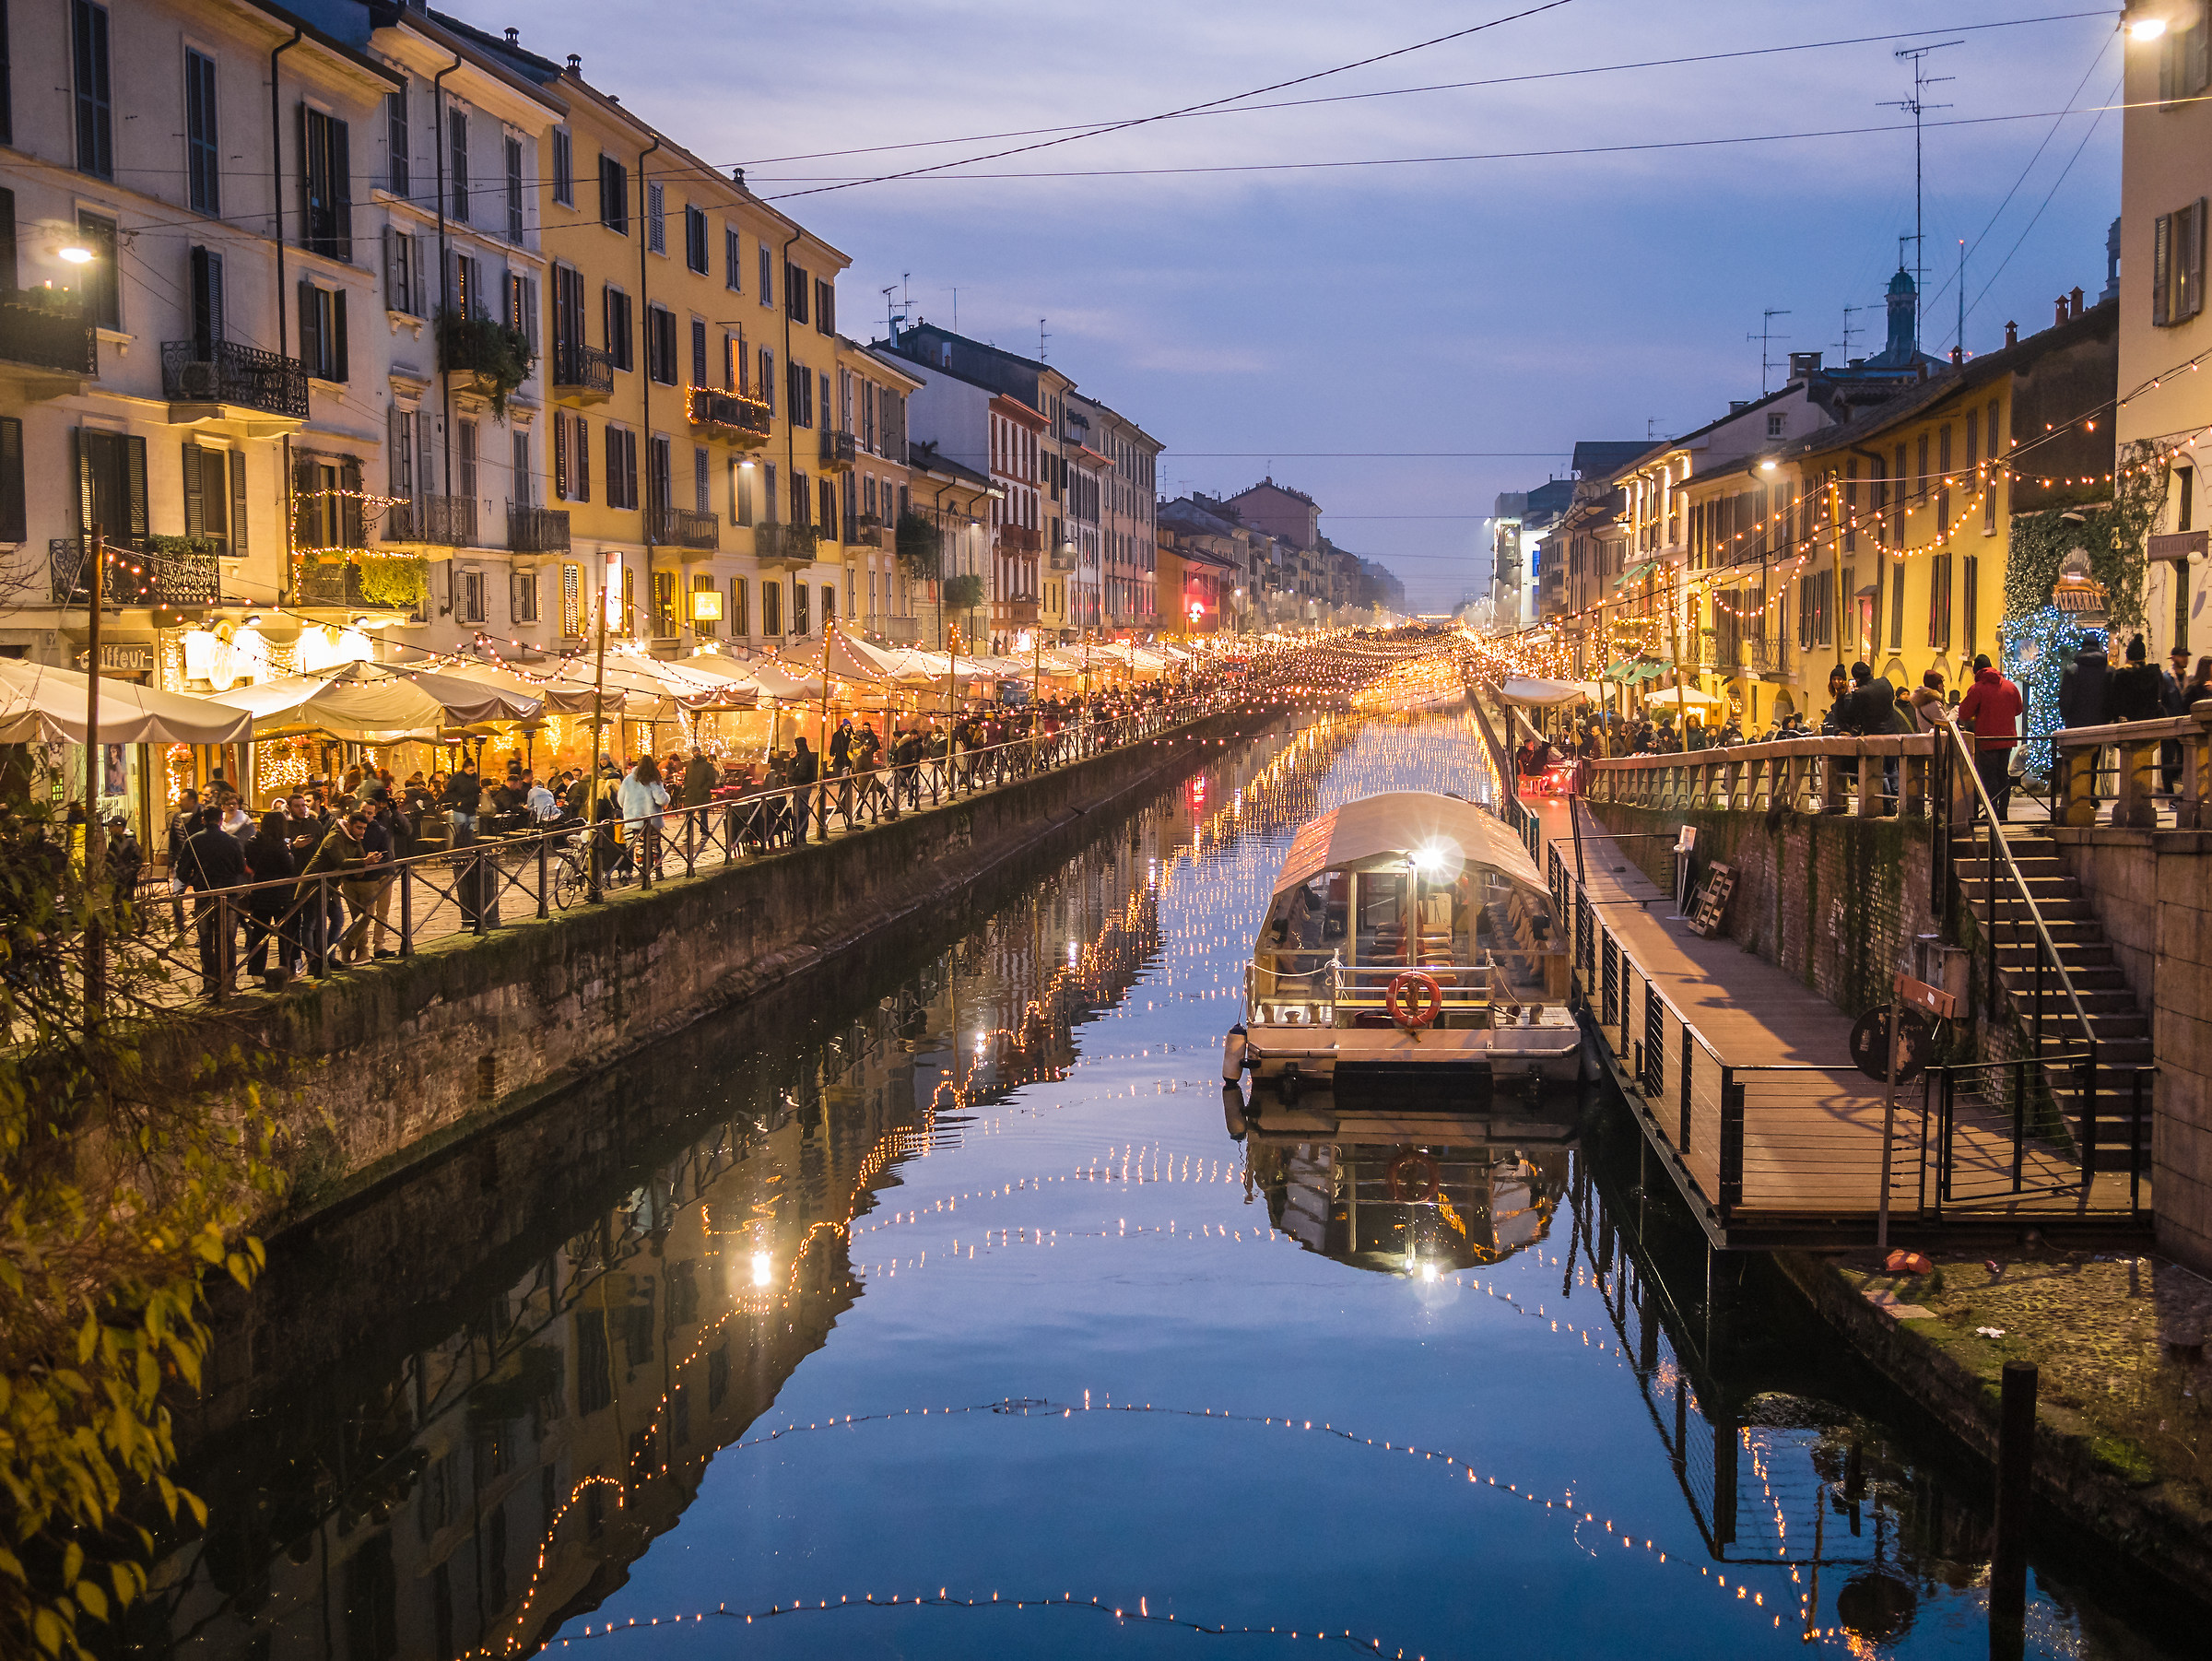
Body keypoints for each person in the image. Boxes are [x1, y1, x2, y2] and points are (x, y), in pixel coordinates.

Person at [175, 805, 248, 997]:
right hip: (229, 894)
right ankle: (229, 980)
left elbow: (181, 872)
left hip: (204, 894)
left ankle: (209, 981)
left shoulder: (193, 841)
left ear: (203, 820)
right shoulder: (232, 841)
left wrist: (193, 878)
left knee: (206, 939)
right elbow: (240, 867)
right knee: (228, 939)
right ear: (221, 819)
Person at [1955, 652, 2025, 823]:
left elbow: (1964, 712)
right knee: (2003, 775)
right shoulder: (2010, 686)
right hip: (2007, 738)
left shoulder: (1977, 688)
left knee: (1988, 777)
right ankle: (2003, 813)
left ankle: (1991, 812)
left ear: (1976, 670)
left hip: (1986, 739)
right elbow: (2018, 709)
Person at [241, 810, 300, 986]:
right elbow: (289, 867)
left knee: (259, 934)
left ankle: (255, 971)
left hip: (259, 893)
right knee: (286, 934)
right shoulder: (279, 845)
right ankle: (287, 969)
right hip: (281, 895)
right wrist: (292, 851)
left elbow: (250, 864)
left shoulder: (252, 843)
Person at [618, 754, 670, 878]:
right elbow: (662, 800)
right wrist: (668, 796)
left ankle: (642, 871)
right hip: (652, 821)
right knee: (655, 846)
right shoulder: (653, 780)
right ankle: (658, 871)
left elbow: (620, 800)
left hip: (635, 820)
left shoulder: (628, 780)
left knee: (640, 846)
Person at [2107, 634, 2164, 722]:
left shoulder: (2122, 675)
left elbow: (2115, 702)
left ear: (2128, 656)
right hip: (2151, 722)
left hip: (2129, 723)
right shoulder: (2154, 673)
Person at [2058, 631, 2111, 728]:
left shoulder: (2073, 670)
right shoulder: (2108, 670)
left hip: (2076, 725)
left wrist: (2067, 717)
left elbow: (2065, 701)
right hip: (2102, 726)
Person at [105, 814, 142, 922]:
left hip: (127, 881)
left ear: (120, 827)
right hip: (116, 880)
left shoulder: (130, 841)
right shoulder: (113, 842)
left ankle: (135, 923)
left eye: (111, 827)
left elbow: (137, 860)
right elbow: (110, 859)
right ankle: (121, 928)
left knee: (128, 904)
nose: (109, 829)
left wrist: (126, 873)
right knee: (116, 905)